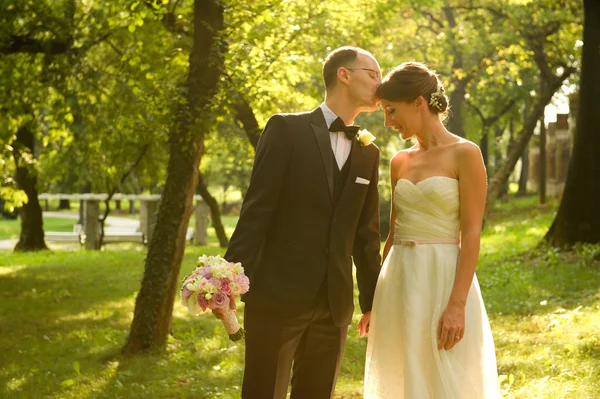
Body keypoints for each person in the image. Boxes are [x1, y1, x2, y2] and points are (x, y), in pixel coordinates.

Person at [219, 46, 383, 399]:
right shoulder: (286, 129)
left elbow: (366, 235)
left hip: (334, 304)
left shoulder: (369, 152)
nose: (380, 85)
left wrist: (371, 302)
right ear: (344, 74)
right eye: (373, 75)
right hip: (276, 296)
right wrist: (226, 279)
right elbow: (256, 210)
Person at [362, 62, 501, 398]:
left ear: (418, 103)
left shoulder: (465, 154)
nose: (387, 122)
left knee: (446, 371)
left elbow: (470, 234)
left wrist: (457, 304)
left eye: (392, 111)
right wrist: (374, 302)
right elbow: (393, 232)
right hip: (398, 277)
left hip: (442, 275)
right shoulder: (399, 161)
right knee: (402, 368)